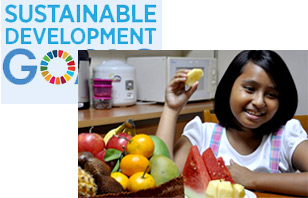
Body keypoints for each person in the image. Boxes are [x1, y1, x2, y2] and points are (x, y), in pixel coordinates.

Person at [156, 50, 308, 196]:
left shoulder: (287, 135)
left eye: (271, 94)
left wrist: (252, 179)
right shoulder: (202, 134)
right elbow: (163, 180)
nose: (259, 102)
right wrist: (171, 109)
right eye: (249, 89)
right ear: (229, 88)